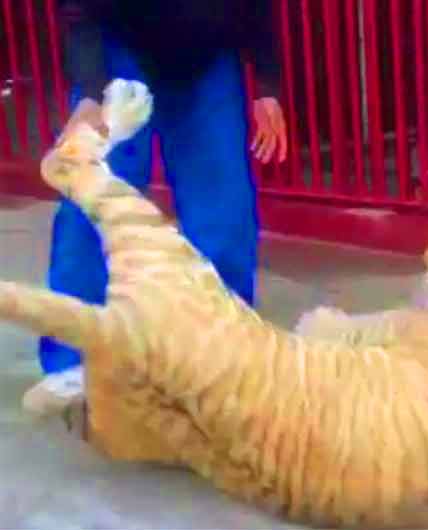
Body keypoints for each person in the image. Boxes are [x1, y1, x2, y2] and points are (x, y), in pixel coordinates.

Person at [23, 0, 287, 415]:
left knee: (224, 208)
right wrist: (92, 92)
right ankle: (70, 361)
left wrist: (268, 87)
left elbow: (256, 8)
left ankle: (225, 357)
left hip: (206, 56)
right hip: (119, 46)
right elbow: (78, 9)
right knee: (93, 197)